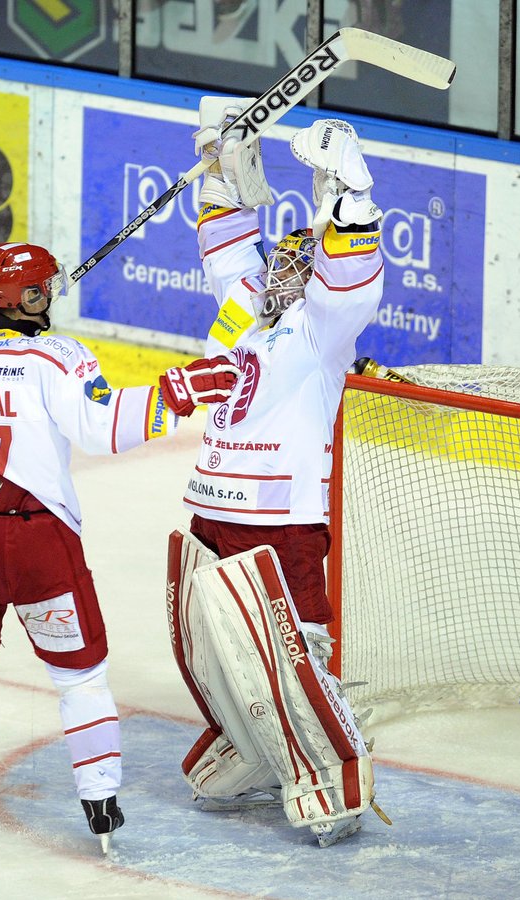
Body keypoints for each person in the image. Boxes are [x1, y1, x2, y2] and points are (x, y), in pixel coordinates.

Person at [0, 236, 237, 851]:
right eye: (42, 287)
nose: (50, 294)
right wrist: (178, 392)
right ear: (25, 297)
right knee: (80, 678)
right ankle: (100, 804)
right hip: (37, 544)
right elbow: (103, 427)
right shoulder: (58, 358)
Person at [165, 100, 386, 847]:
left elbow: (351, 274)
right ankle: (259, 750)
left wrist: (351, 191)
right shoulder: (244, 306)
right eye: (280, 258)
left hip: (283, 516)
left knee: (297, 654)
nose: (284, 266)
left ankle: (339, 780)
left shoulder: (324, 328)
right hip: (212, 505)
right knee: (211, 645)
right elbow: (226, 246)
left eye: (300, 259)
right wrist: (221, 161)